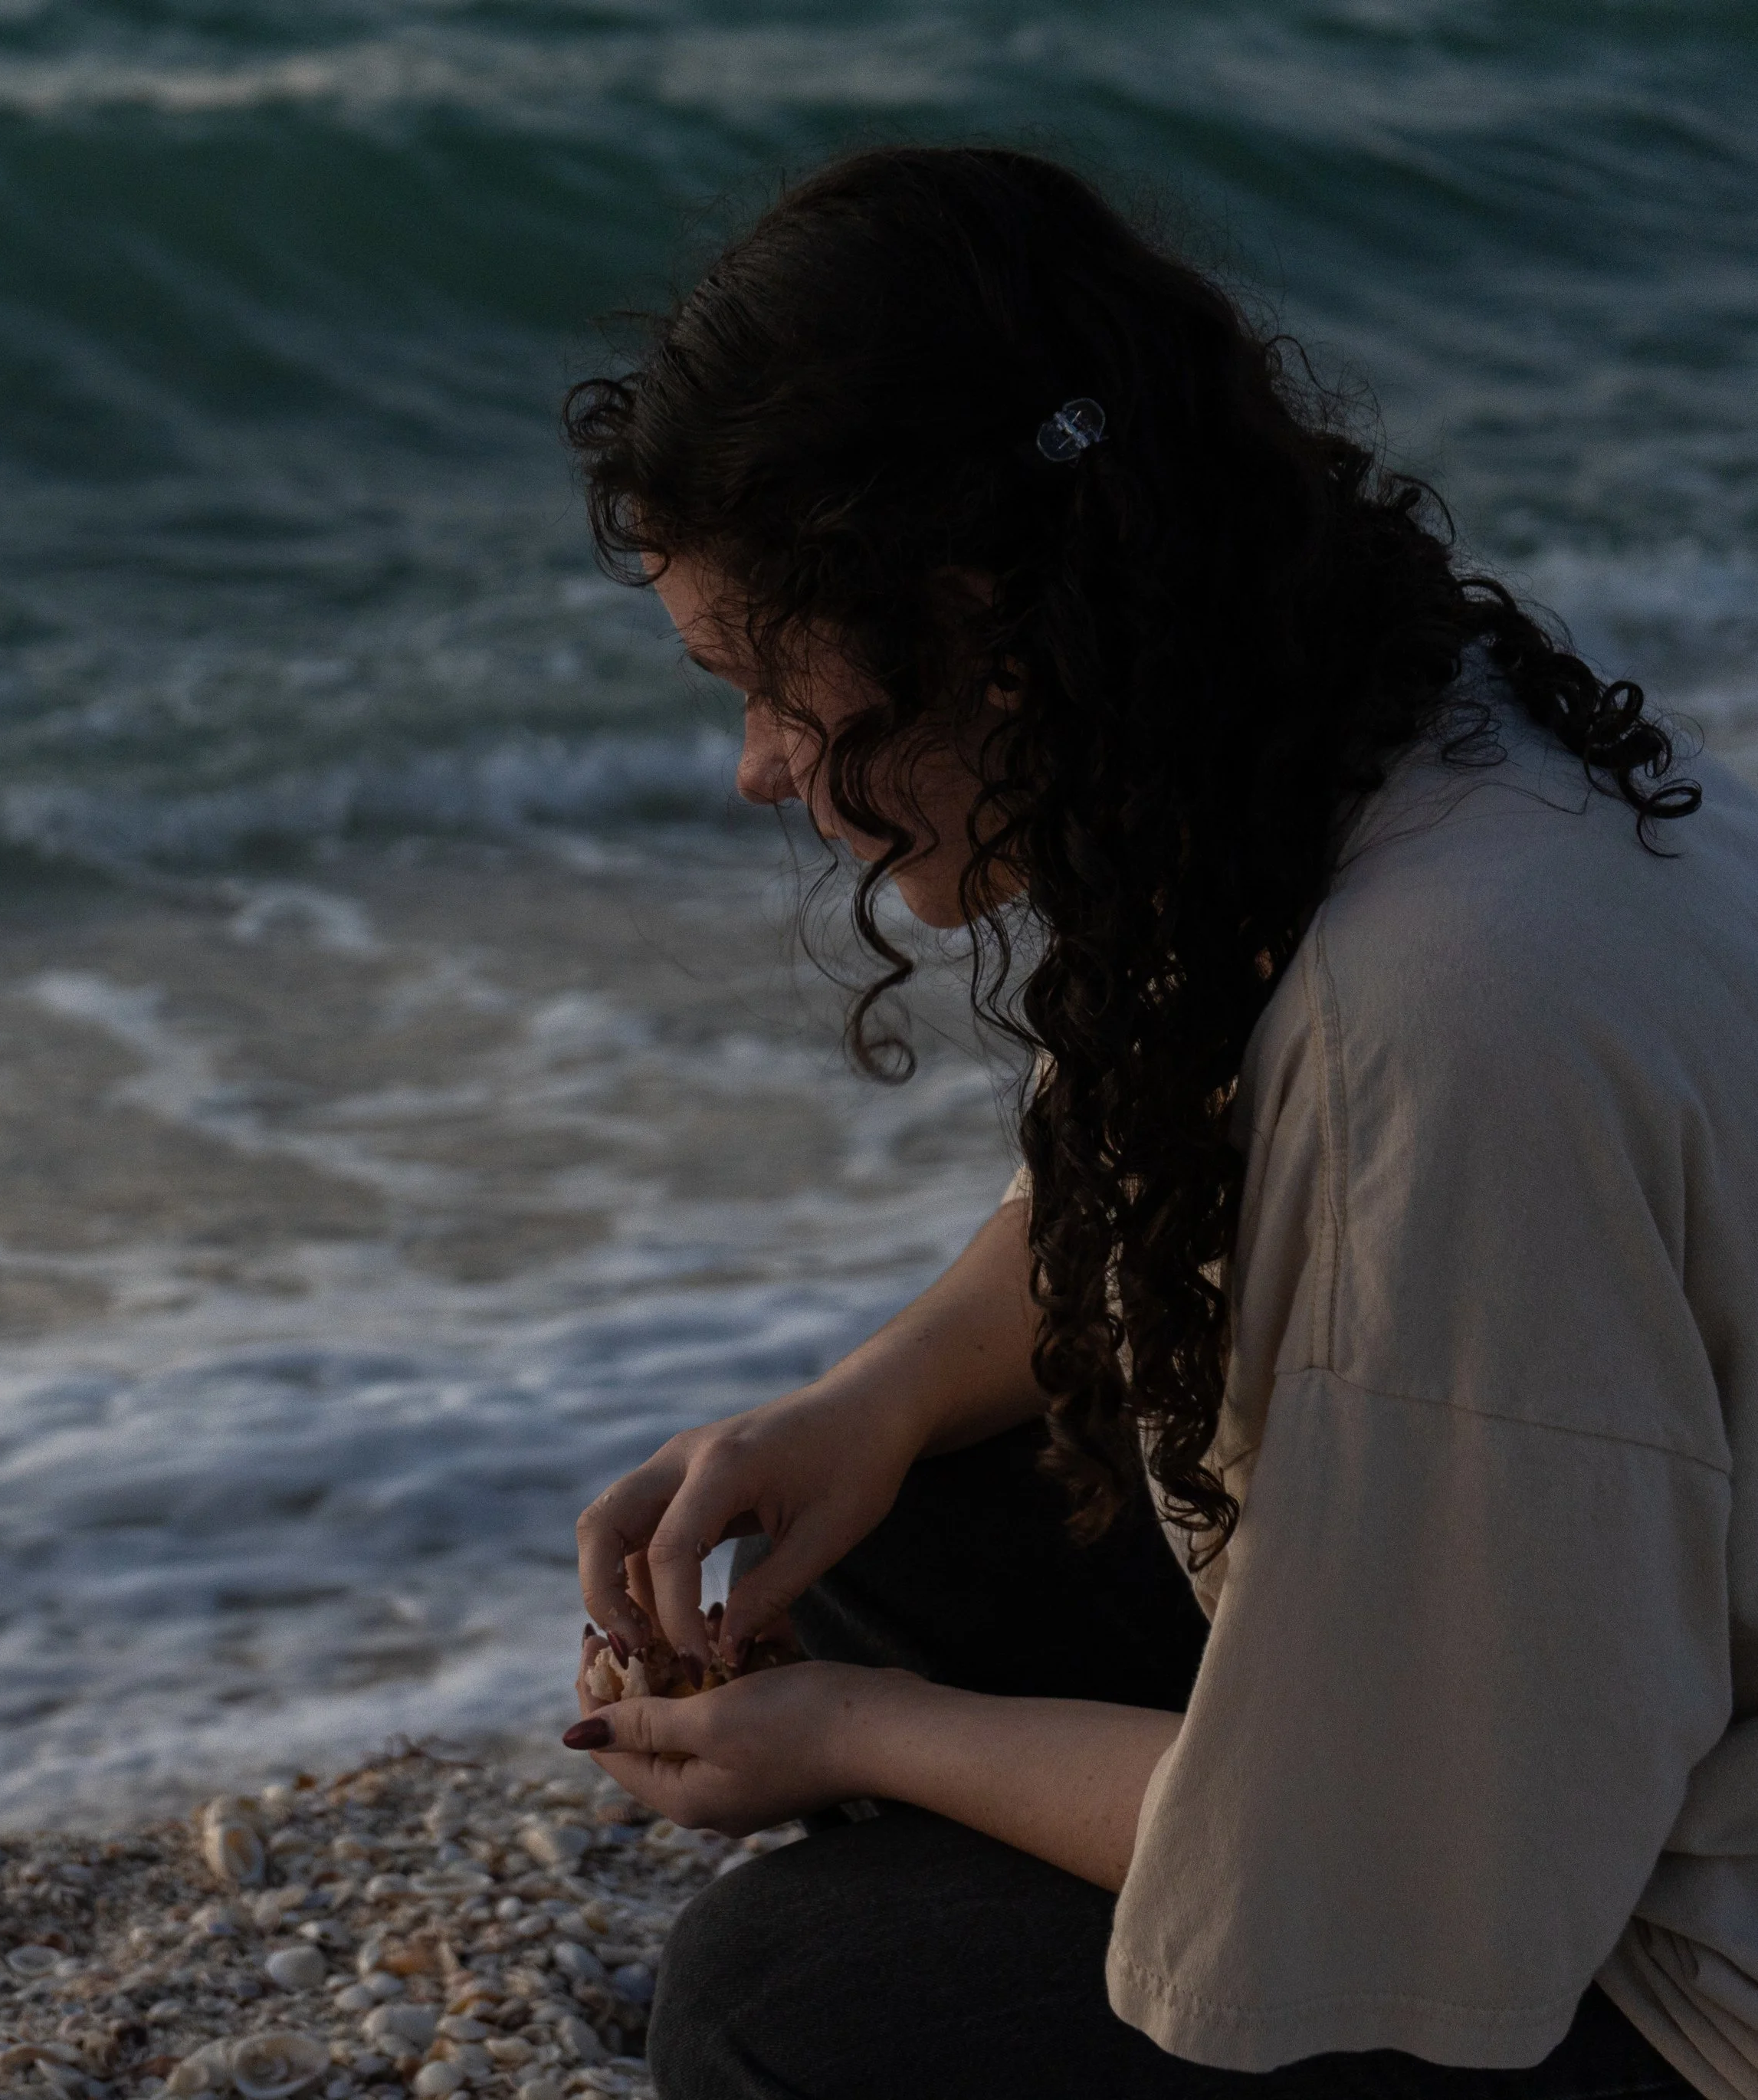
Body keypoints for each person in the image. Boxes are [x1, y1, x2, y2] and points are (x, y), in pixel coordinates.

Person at [556, 146, 1758, 2100]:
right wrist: (853, 1405)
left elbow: (1396, 1868)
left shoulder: (1436, 1030)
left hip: (1697, 1951)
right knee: (880, 1524)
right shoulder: (1389, 737)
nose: (758, 771)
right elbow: (1163, 1167)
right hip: (1648, 1625)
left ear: (966, 613)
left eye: (761, 682)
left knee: (786, 2004)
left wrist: (861, 1737)